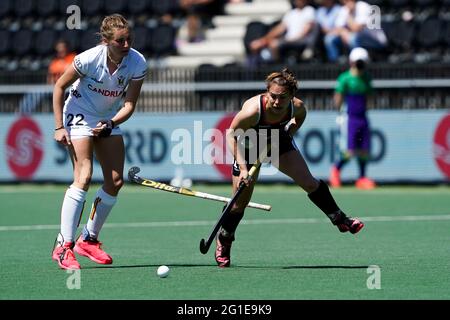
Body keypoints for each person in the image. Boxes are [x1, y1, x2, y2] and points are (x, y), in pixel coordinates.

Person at [215, 68, 364, 268]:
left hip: (277, 143)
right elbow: (231, 134)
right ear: (267, 92)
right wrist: (243, 169)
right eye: (273, 96)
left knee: (309, 182)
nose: (276, 102)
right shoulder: (253, 111)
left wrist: (288, 133)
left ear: (291, 96)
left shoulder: (297, 107)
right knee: (238, 204)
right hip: (248, 147)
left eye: (282, 97)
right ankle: (224, 240)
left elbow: (300, 118)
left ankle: (339, 218)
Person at [51, 14, 147, 270]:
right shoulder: (89, 59)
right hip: (79, 113)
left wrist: (112, 124)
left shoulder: (137, 62)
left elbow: (129, 104)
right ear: (106, 41)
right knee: (83, 174)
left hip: (106, 118)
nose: (126, 45)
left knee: (115, 181)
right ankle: (63, 246)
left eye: (129, 40)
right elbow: (59, 87)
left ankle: (88, 239)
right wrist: (59, 126)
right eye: (120, 41)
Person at [329, 47, 376, 190]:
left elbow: (369, 98)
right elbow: (338, 98)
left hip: (362, 117)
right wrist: (340, 113)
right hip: (349, 118)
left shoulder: (367, 78)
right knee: (349, 150)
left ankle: (362, 178)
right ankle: (335, 172)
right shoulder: (345, 78)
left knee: (364, 149)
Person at [249, 0, 317, 64]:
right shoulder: (291, 13)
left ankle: (277, 66)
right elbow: (280, 29)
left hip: (301, 40)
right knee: (257, 45)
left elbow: (305, 31)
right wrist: (263, 40)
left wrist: (290, 39)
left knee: (274, 44)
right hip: (288, 40)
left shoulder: (309, 10)